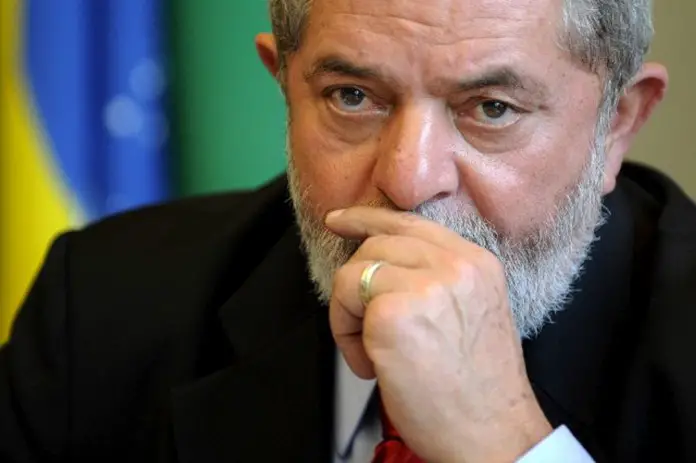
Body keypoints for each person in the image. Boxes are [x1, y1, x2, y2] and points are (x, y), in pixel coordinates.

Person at [1, 0, 694, 461]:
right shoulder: (101, 304)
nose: (409, 180)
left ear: (618, 124)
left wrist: (505, 443)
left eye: (491, 107)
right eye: (353, 97)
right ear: (285, 85)